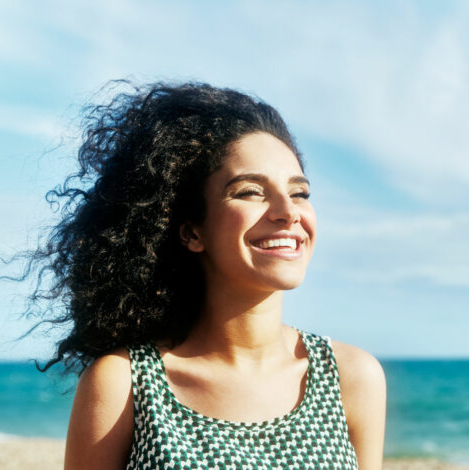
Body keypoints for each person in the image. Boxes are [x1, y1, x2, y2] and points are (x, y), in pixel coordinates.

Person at [36, 81, 385, 469]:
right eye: (251, 191)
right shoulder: (125, 383)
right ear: (192, 231)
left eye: (300, 193)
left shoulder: (352, 377)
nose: (288, 212)